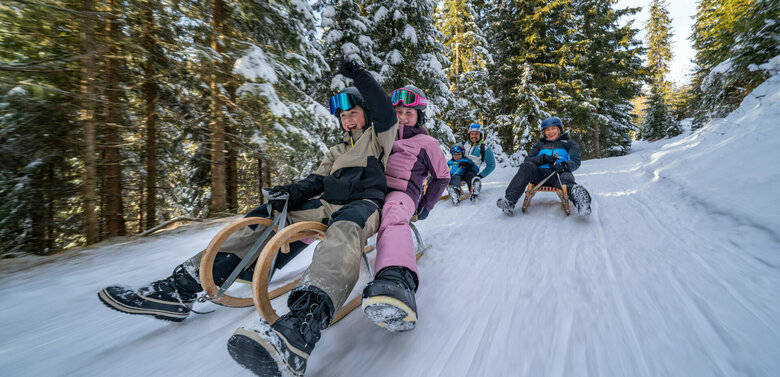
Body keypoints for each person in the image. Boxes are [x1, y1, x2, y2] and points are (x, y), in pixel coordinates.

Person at [97, 60, 398, 376]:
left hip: (362, 205)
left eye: (353, 113)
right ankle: (182, 288)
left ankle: (300, 327)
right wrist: (288, 193)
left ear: (365, 114)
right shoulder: (336, 151)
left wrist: (360, 76)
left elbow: (385, 111)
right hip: (324, 204)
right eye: (343, 116)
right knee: (267, 218)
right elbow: (316, 181)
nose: (348, 120)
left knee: (344, 230)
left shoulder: (379, 137)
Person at [361, 85, 449, 332]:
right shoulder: (381, 135)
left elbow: (442, 177)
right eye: (397, 111)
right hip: (372, 190)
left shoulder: (427, 143)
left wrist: (424, 207)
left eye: (408, 112)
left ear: (419, 115)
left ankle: (397, 281)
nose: (402, 116)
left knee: (393, 214)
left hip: (402, 194)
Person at [496, 116, 592, 216]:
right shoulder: (539, 145)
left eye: (553, 128)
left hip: (559, 173)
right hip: (539, 174)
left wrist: (564, 165)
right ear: (544, 132)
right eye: (547, 130)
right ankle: (510, 200)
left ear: (559, 129)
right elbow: (528, 160)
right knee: (527, 166)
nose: (550, 132)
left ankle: (581, 201)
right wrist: (543, 158)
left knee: (567, 179)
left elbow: (576, 161)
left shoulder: (569, 143)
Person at [460, 123, 496, 201]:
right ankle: (454, 190)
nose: (474, 136)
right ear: (469, 135)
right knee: (449, 175)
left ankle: (475, 189)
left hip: (471, 170)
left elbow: (491, 165)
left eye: (476, 134)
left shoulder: (485, 148)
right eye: (472, 134)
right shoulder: (462, 145)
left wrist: (480, 176)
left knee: (470, 176)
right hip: (459, 169)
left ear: (481, 135)